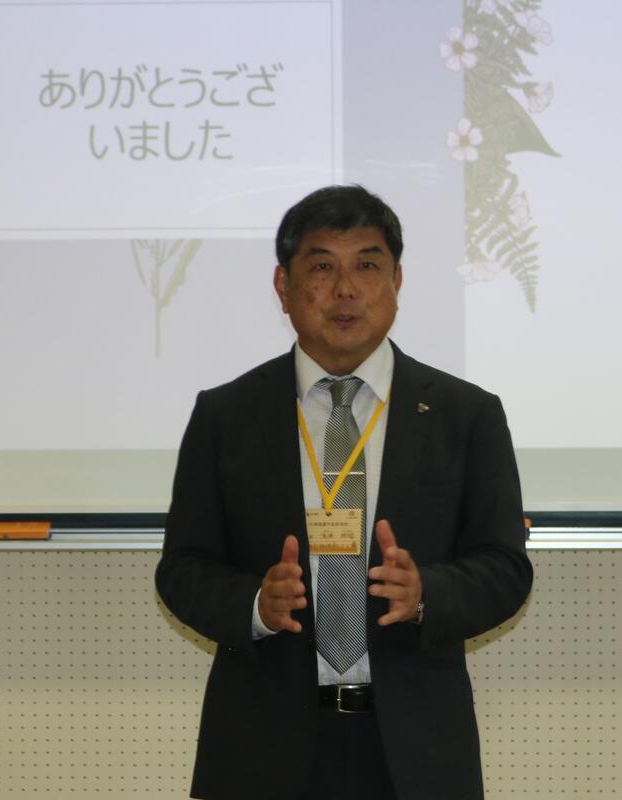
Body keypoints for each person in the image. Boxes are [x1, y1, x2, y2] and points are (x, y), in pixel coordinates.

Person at [155, 185, 533, 800]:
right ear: (283, 285)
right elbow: (182, 567)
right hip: (259, 745)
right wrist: (256, 604)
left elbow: (506, 568)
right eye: (322, 266)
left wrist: (426, 593)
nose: (346, 289)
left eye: (367, 265)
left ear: (396, 281)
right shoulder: (226, 415)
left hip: (416, 750)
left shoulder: (466, 415)